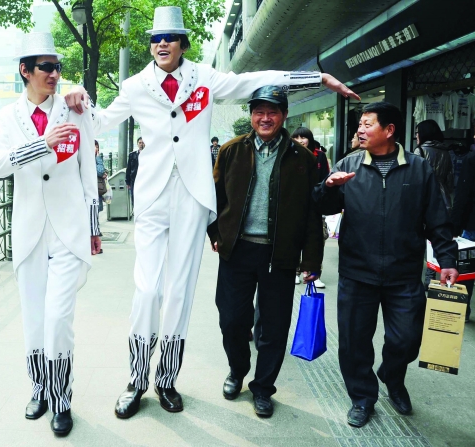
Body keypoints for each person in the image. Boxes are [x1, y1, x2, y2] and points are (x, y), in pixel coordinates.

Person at [65, 6, 359, 419]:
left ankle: (166, 380)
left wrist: (317, 78)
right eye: (156, 38)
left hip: (191, 196)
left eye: (170, 38)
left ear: (182, 44)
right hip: (151, 198)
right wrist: (73, 94)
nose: (162, 43)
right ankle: (136, 379)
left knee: (180, 293)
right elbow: (97, 123)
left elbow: (252, 81)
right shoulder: (134, 86)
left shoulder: (203, 77)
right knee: (147, 291)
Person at [313, 101, 458, 428]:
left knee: (407, 338)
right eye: (360, 124)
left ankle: (392, 375)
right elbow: (322, 205)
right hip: (357, 273)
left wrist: (447, 259)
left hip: (403, 273)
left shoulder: (418, 169)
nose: (360, 130)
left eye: (368, 124)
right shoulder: (349, 164)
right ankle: (362, 398)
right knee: (354, 342)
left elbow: (437, 218)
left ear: (389, 130)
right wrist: (329, 187)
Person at [0, 32, 101, 436]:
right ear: (25, 70)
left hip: (69, 231)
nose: (54, 74)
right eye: (46, 67)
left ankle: (62, 399)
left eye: (58, 67)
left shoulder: (75, 109)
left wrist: (93, 227)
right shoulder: (7, 117)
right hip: (29, 232)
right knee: (34, 320)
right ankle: (39, 389)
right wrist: (41, 144)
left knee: (57, 318)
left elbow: (88, 170)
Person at [208, 86, 323, 417]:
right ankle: (237, 370)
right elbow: (214, 198)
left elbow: (312, 213)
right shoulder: (231, 151)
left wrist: (310, 260)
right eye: (259, 111)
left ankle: (263, 387)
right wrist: (216, 234)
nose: (265, 118)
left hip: (280, 254)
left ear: (284, 115)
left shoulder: (302, 158)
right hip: (237, 251)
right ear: (251, 116)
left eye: (273, 112)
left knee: (273, 327)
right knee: (232, 320)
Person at [451, 115, 475, 322]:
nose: (474, 136)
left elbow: (463, 196)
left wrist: (454, 226)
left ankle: (463, 311)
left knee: (468, 269)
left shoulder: (474, 159)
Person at [291, 127, 329, 289]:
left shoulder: (319, 155)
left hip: (314, 204)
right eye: (296, 138)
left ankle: (314, 273)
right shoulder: (290, 154)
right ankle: (295, 271)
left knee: (317, 240)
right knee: (293, 239)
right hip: (294, 204)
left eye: (303, 137)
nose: (300, 141)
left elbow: (325, 179)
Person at [414, 119, 454, 212]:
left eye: (417, 132)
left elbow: (415, 178)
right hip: (444, 198)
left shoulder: (420, 151)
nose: (416, 136)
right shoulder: (446, 152)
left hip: (426, 197)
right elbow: (450, 182)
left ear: (424, 133)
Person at [125, 137, 144, 208]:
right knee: (133, 196)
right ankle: (135, 209)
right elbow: (128, 169)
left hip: (144, 179)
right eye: (140, 143)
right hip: (134, 179)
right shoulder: (132, 155)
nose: (141, 144)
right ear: (137, 144)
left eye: (142, 143)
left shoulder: (148, 155)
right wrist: (127, 182)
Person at [95, 140, 107, 212]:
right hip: (95, 189)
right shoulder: (93, 158)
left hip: (97, 188)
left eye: (97, 147)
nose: (96, 149)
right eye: (95, 147)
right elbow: (100, 171)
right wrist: (98, 158)